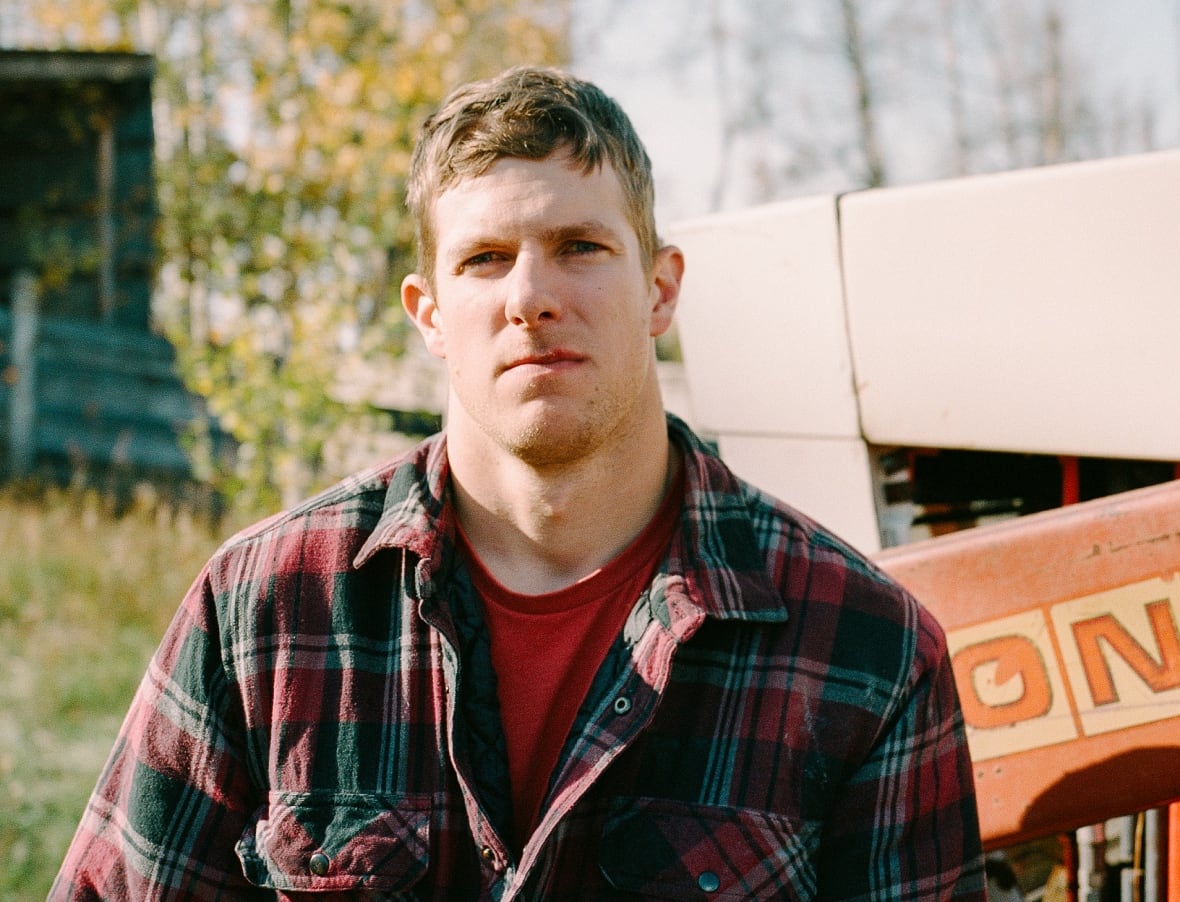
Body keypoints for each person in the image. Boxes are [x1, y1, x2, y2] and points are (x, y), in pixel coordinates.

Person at [53, 66, 986, 899]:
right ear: (429, 313)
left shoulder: (867, 651)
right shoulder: (264, 611)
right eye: (484, 258)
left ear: (661, 289)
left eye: (581, 246)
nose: (529, 295)